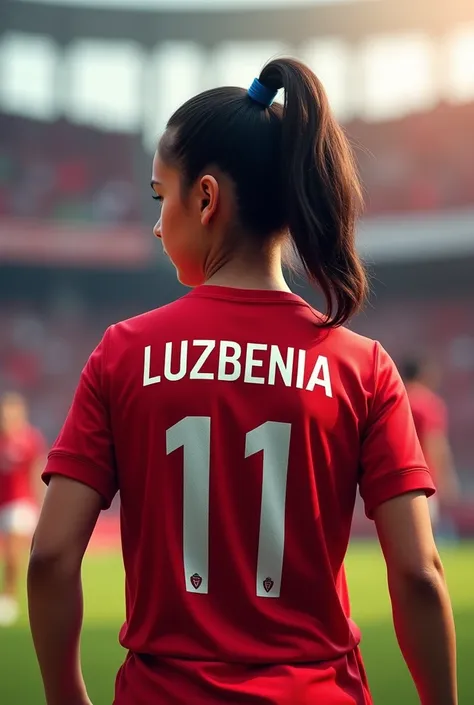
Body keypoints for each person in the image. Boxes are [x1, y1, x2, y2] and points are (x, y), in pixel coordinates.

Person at [28, 59, 457, 705]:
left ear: (204, 198)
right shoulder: (362, 364)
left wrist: (67, 695)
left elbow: (52, 556)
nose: (155, 220)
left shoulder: (124, 351)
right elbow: (419, 573)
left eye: (158, 194)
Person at [0, 391, 46, 626]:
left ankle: (8, 599)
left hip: (22, 504)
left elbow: (36, 472)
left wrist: (41, 503)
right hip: (3, 503)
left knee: (12, 553)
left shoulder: (30, 439)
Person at [400, 356, 459, 529]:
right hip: (422, 477)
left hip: (395, 475)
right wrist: (446, 478)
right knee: (423, 535)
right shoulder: (428, 403)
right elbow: (434, 443)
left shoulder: (397, 398)